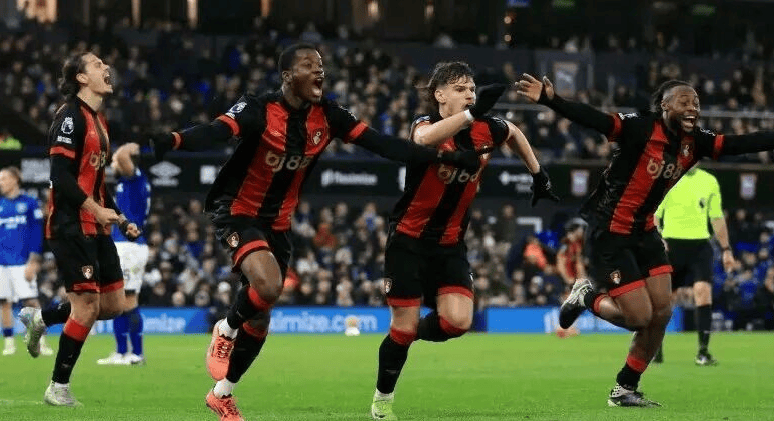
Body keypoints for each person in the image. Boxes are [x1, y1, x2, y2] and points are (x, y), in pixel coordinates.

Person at [147, 43, 488, 421]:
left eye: (322, 65)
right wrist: (174, 140)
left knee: (260, 319)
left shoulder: (329, 115)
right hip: (238, 212)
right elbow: (216, 131)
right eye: (310, 65)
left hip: (279, 224)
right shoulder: (259, 108)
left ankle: (222, 393)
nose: (320, 71)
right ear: (288, 75)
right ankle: (226, 329)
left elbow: (385, 145)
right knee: (269, 286)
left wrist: (445, 156)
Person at [517, 74, 774, 407]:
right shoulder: (639, 128)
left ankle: (625, 388)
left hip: (646, 232)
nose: (693, 107)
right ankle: (586, 296)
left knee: (662, 312)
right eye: (684, 101)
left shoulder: (696, 141)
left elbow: (741, 143)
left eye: (696, 102)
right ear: (665, 105)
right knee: (639, 318)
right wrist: (552, 100)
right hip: (610, 233)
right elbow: (595, 119)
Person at [370, 61, 558, 420]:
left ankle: (404, 335)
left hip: (450, 244)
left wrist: (538, 173)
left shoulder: (487, 128)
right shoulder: (425, 125)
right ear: (439, 95)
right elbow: (422, 141)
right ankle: (382, 401)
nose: (470, 94)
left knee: (456, 322)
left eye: (472, 89)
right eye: (460, 89)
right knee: (403, 328)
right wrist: (470, 115)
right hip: (408, 241)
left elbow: (513, 132)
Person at [18, 51, 141, 407]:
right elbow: (60, 177)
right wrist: (95, 209)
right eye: (98, 64)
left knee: (113, 305)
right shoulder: (69, 117)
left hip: (96, 224)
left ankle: (41, 317)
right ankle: (58, 387)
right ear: (81, 78)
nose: (107, 67)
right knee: (86, 307)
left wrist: (121, 217)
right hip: (70, 224)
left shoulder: (99, 121)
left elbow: (98, 184)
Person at [652, 165, 735, 365]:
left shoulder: (709, 181)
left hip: (700, 246)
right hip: (671, 246)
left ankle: (703, 352)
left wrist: (726, 249)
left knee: (703, 292)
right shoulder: (666, 179)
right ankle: (655, 349)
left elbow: (716, 217)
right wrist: (657, 237)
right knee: (664, 299)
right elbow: (654, 215)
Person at [96, 142, 151, 366]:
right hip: (128, 246)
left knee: (125, 300)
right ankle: (124, 353)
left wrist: (130, 147)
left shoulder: (135, 178)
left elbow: (123, 155)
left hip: (129, 247)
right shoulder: (127, 183)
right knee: (120, 299)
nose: (112, 163)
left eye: (114, 162)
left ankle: (134, 354)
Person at [0, 166, 52, 356]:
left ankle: (41, 342)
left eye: (3, 178)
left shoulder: (29, 203)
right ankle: (9, 344)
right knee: (4, 302)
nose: (1, 183)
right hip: (1, 262)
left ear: (15, 179)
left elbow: (37, 233)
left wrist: (34, 260)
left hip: (23, 262)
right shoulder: (0, 204)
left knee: (31, 302)